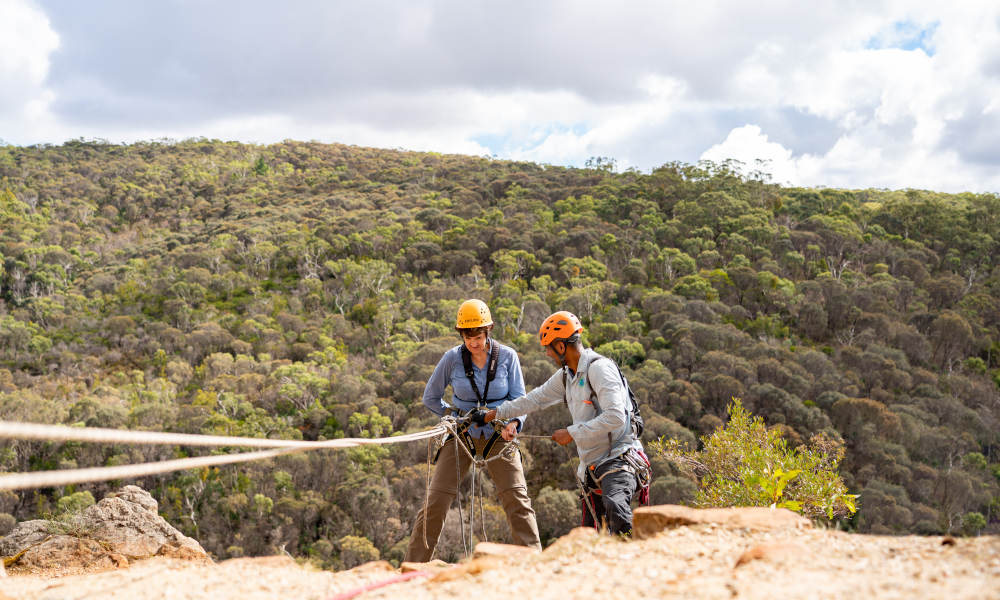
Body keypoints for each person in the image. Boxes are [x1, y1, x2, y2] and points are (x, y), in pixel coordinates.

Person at [480, 310, 650, 536]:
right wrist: (493, 414)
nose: (547, 354)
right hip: (592, 468)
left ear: (561, 346)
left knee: (616, 509)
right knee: (591, 536)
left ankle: (638, 560)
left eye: (549, 348)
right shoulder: (566, 376)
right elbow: (535, 399)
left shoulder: (599, 369)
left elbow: (616, 416)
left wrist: (571, 433)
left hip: (618, 458)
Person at [404, 299, 541, 561]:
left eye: (478, 336)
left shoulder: (507, 357)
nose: (474, 343)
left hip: (499, 434)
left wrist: (514, 424)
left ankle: (533, 562)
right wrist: (453, 416)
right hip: (462, 434)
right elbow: (430, 397)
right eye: (468, 337)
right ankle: (412, 567)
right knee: (435, 503)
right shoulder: (452, 359)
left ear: (488, 330)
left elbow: (520, 399)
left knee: (517, 499)